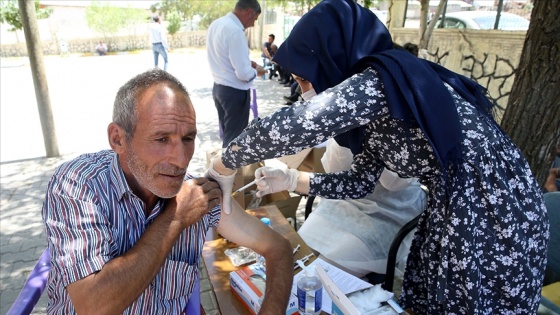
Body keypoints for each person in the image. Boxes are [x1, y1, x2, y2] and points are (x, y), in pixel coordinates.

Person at [205, 0, 549, 313]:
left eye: (305, 81)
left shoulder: (380, 83)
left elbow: (299, 124)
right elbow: (360, 181)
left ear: (331, 59)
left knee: (471, 302)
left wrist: (224, 163)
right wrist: (293, 180)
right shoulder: (376, 110)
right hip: (457, 201)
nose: (305, 92)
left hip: (492, 209)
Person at [42, 69, 293, 314]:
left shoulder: (197, 194)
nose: (181, 160)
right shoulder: (77, 185)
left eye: (188, 139)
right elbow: (93, 306)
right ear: (118, 139)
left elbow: (278, 249)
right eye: (162, 139)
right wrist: (176, 218)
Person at [297, 138, 427, 279]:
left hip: (390, 210)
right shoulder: (349, 117)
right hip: (345, 201)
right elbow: (334, 169)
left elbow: (396, 182)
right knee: (297, 255)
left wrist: (373, 141)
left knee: (319, 279)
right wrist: (344, 139)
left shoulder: (409, 122)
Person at [206, 0, 267, 148]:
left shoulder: (217, 24)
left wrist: (246, 62)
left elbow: (224, 57)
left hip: (220, 89)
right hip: (235, 92)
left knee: (228, 136)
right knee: (235, 143)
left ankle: (225, 168)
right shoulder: (235, 31)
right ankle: (229, 170)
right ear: (248, 12)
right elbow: (244, 74)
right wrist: (256, 71)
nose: (253, 24)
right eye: (255, 19)